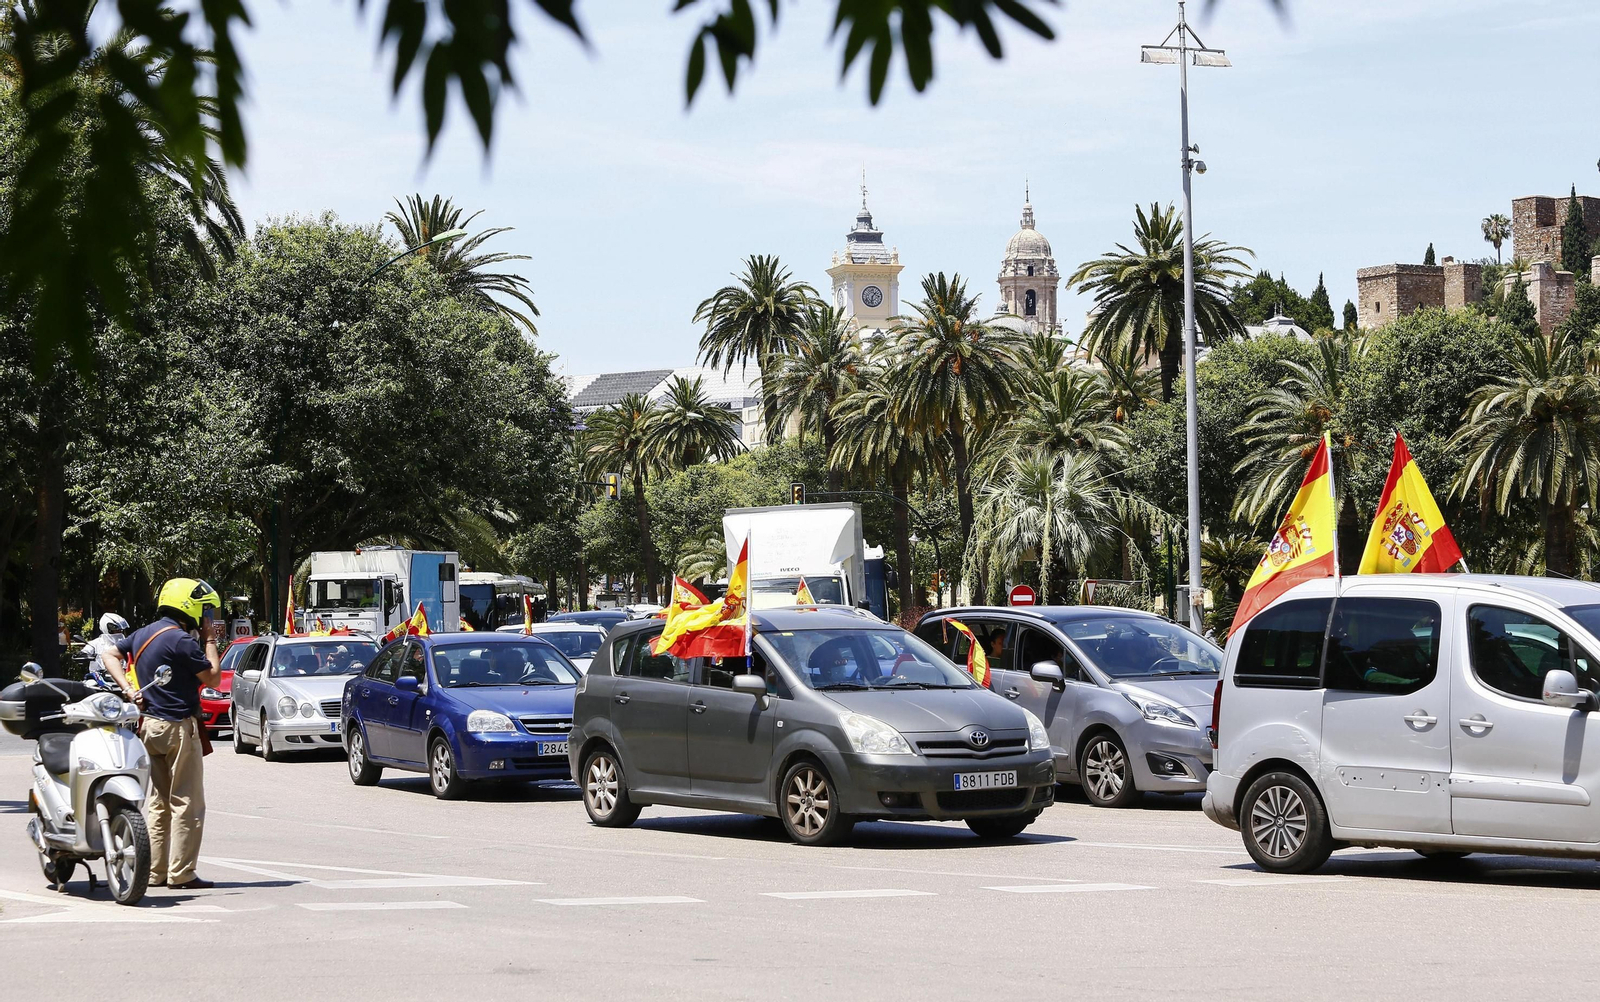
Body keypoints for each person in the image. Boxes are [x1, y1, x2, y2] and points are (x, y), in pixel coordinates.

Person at [102, 577, 222, 891]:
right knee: (186, 802)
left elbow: (108, 656)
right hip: (177, 729)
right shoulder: (181, 640)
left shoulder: (143, 633)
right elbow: (212, 677)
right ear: (190, 606)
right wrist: (209, 639)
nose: (206, 616)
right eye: (204, 610)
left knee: (158, 802)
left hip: (149, 727)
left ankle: (154, 872)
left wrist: (129, 689)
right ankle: (182, 873)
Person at [84, 613, 135, 696]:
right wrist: (83, 654)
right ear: (106, 627)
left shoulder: (125, 643)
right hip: (99, 677)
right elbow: (86, 651)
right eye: (116, 629)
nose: (118, 632)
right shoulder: (96, 643)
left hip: (123, 675)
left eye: (120, 630)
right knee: (88, 685)